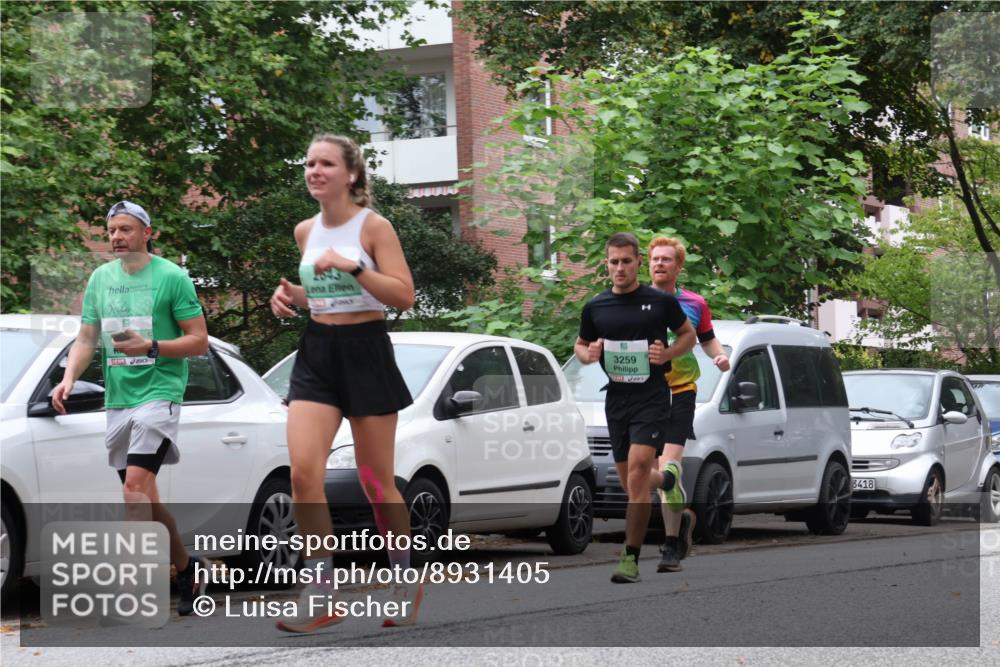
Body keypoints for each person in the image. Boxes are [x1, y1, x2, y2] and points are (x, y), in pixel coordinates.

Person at [269, 134, 419, 632]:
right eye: (309, 163)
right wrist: (291, 294)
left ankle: (404, 581)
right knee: (302, 476)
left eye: (326, 164)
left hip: (366, 352)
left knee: (377, 483)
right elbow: (322, 298)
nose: (314, 171)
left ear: (351, 174)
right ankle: (323, 595)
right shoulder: (304, 230)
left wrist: (353, 266)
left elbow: (402, 297)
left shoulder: (374, 227)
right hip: (317, 353)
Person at [52, 200, 210, 616]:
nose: (117, 237)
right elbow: (87, 339)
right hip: (119, 400)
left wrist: (153, 346)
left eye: (125, 229)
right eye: (111, 231)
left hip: (160, 394)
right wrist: (69, 377)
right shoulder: (101, 279)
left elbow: (199, 341)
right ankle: (186, 568)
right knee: (149, 500)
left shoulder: (172, 278)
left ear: (146, 232)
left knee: (133, 489)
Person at [576, 232, 696, 583]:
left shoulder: (658, 302)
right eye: (614, 262)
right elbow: (580, 345)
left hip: (652, 397)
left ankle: (629, 559)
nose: (620, 268)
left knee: (639, 470)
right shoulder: (596, 306)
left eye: (626, 261)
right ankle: (669, 480)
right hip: (617, 399)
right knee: (634, 484)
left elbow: (687, 335)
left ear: (637, 262)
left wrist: (668, 354)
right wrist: (589, 355)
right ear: (606, 264)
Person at [647, 237, 730, 572]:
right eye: (654, 259)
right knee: (646, 474)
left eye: (667, 259)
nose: (659, 264)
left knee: (671, 467)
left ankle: (669, 546)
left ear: (678, 266)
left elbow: (708, 340)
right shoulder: (633, 300)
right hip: (643, 394)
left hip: (681, 390)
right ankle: (680, 520)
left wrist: (719, 355)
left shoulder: (695, 303)